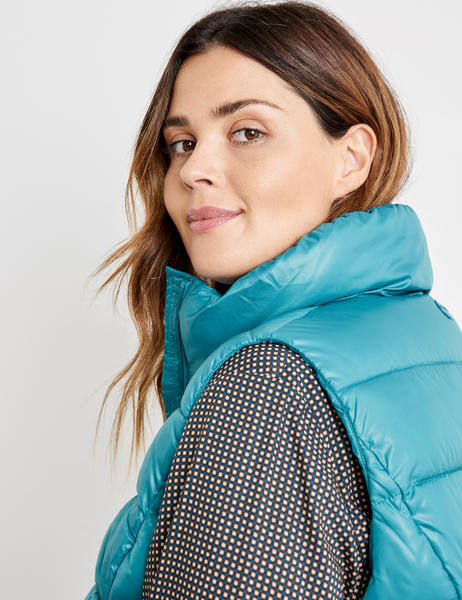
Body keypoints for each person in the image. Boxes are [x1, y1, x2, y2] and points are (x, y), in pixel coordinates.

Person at [85, 2, 462, 599]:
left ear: (351, 159)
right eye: (182, 142)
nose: (193, 169)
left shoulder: (262, 388)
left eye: (248, 132)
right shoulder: (428, 333)